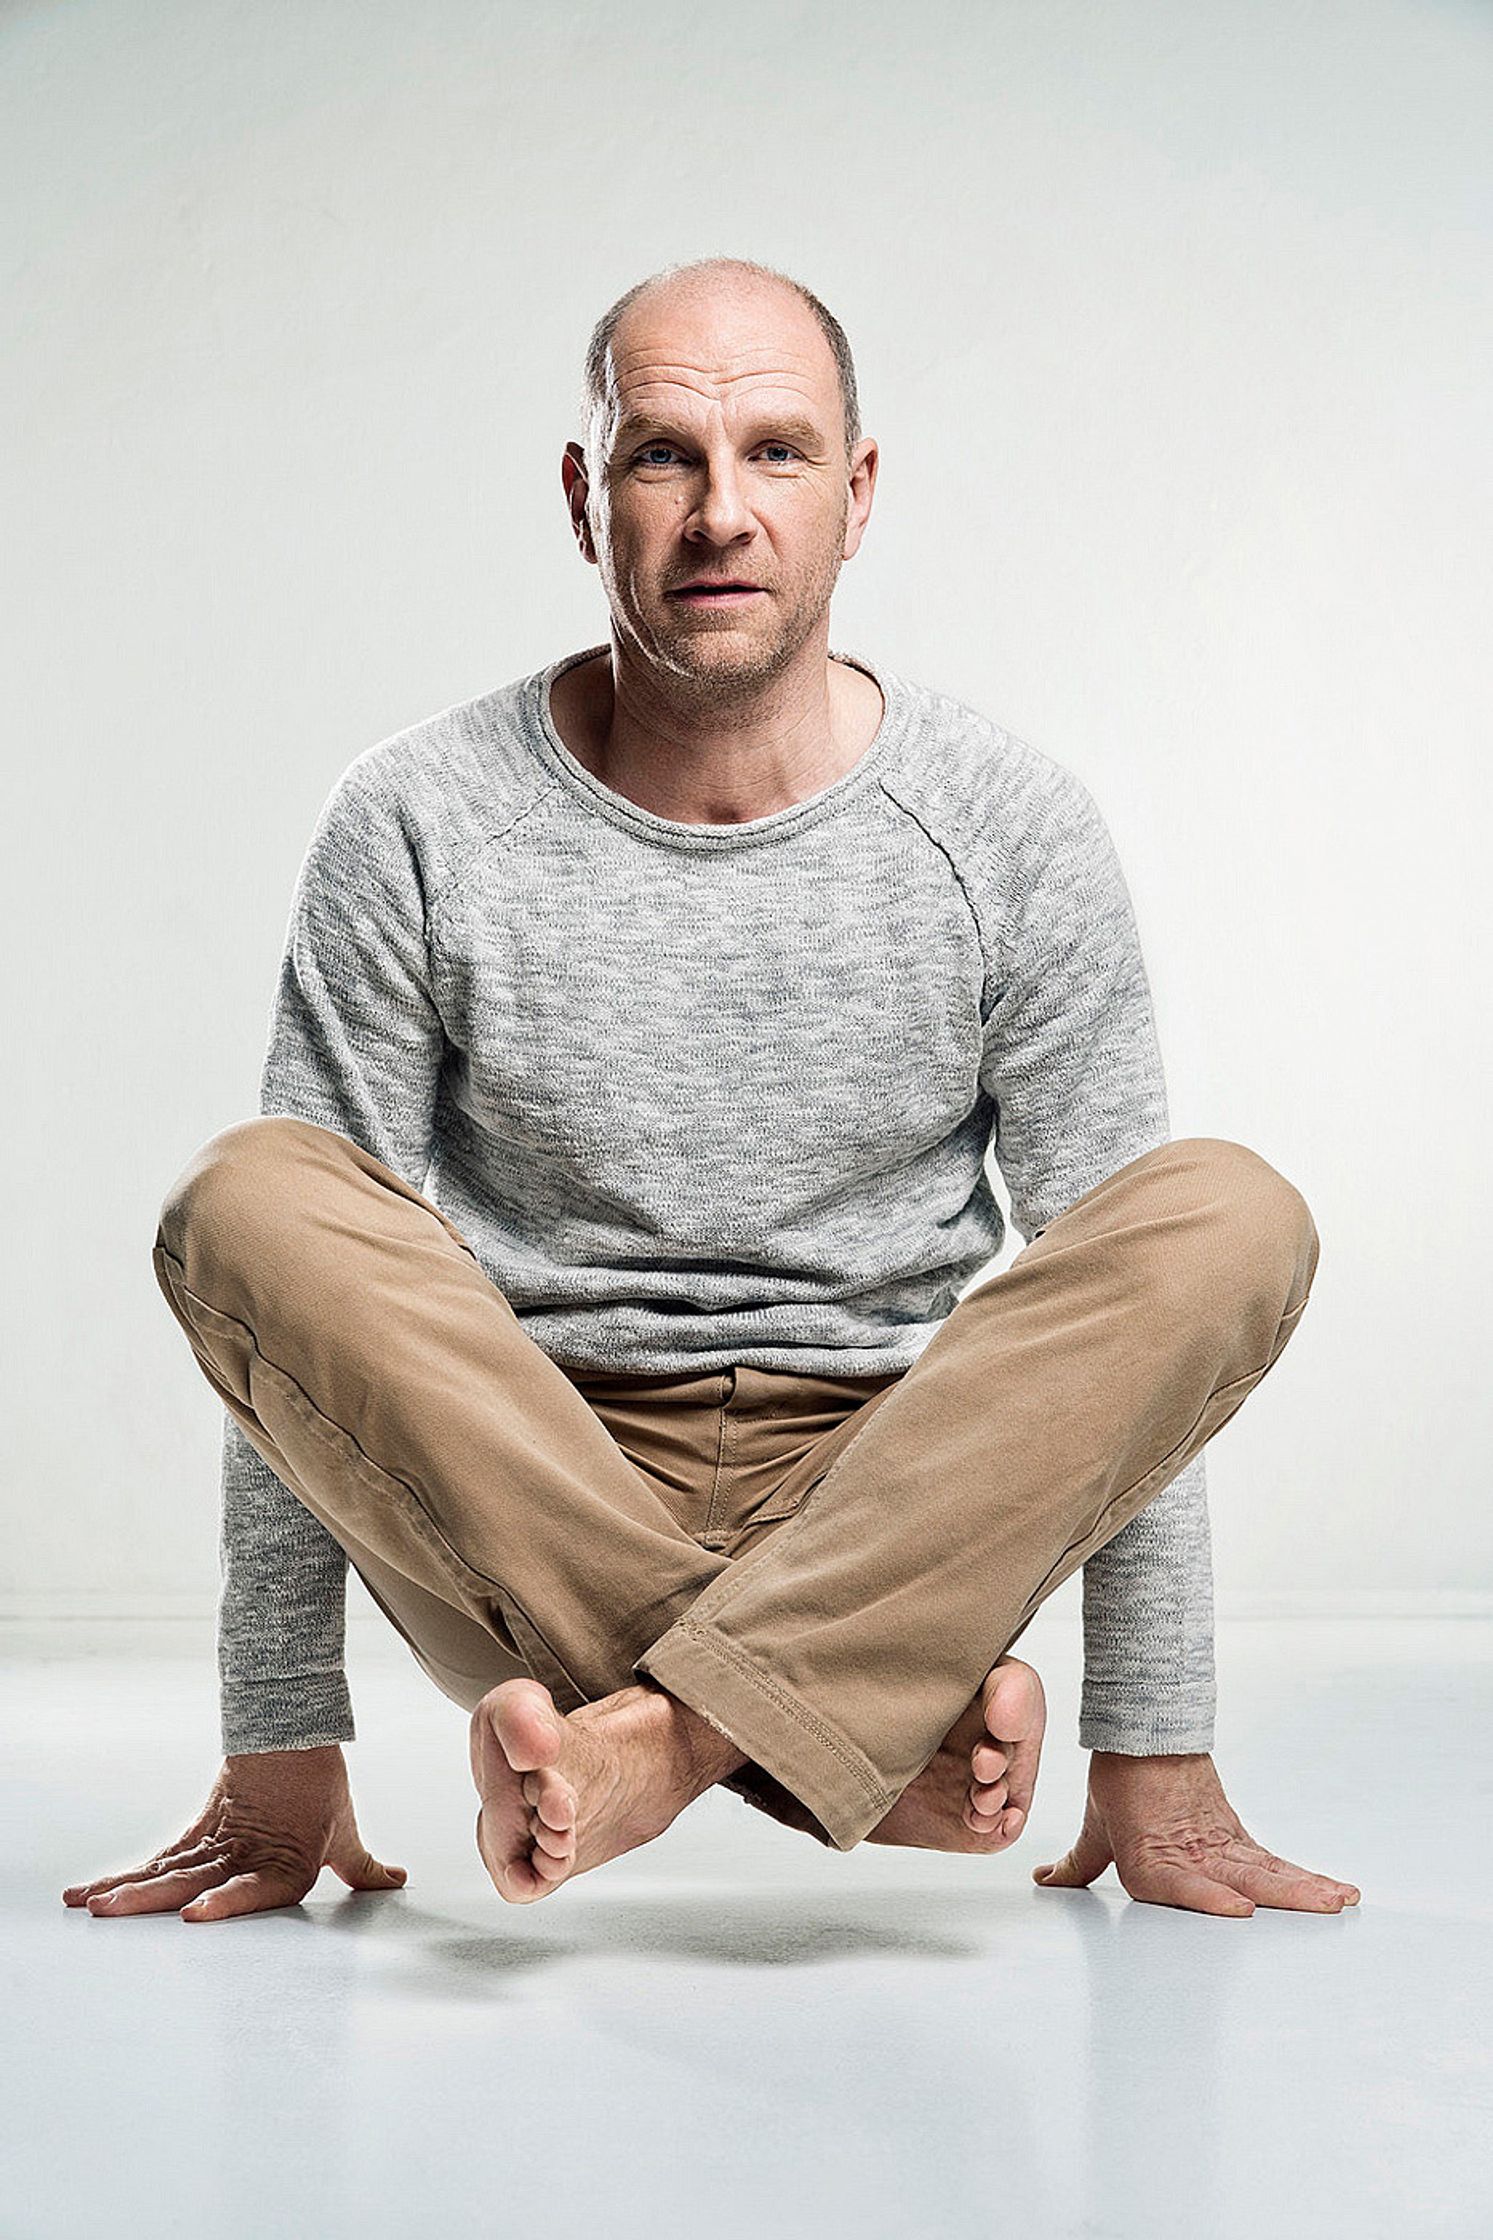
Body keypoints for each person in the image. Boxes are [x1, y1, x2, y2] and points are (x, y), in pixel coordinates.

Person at [63, 255, 1359, 1924]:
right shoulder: (417, 818)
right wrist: (277, 1749)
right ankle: (848, 1751)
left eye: (777, 453)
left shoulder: (1007, 825)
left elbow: (1129, 1350)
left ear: (860, 491)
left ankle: (659, 1747)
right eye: (662, 453)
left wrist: (1156, 1751)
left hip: (898, 1509)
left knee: (1219, 1215)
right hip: (525, 1498)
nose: (718, 513)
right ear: (583, 497)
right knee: (246, 1197)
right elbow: (288, 1356)